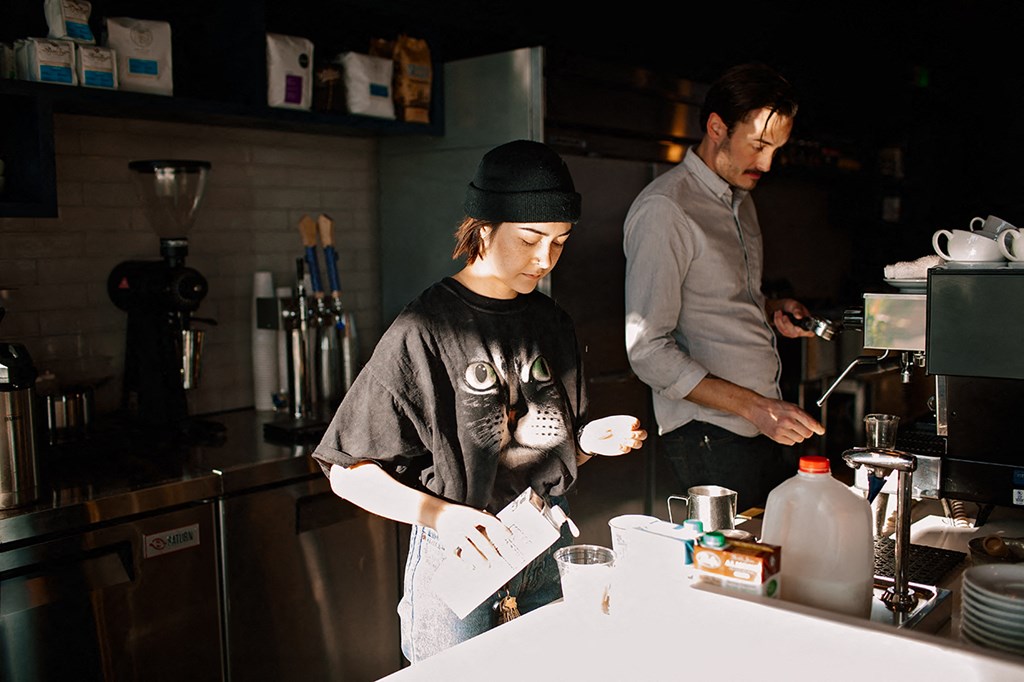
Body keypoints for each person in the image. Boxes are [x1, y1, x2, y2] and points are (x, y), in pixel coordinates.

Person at [313, 140, 647, 664]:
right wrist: (442, 517)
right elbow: (346, 471)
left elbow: (544, 451)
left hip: (543, 544)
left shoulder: (552, 323)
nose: (545, 259)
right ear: (484, 227)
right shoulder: (425, 329)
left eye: (560, 241)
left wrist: (588, 442)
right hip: (460, 555)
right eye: (531, 238)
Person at [622, 63, 824, 512]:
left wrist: (770, 307)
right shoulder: (666, 209)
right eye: (759, 145)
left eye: (777, 149)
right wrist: (754, 407)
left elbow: (722, 298)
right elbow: (648, 351)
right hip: (710, 435)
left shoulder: (740, 200)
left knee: (770, 564)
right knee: (733, 573)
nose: (767, 164)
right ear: (717, 127)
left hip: (758, 426)